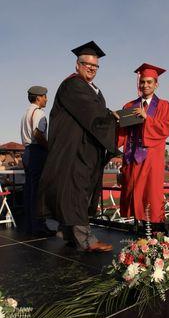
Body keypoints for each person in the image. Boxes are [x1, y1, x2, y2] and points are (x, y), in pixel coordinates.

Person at [38, 41, 118, 252]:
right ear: (77, 64)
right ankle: (86, 241)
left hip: (84, 149)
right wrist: (114, 118)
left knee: (72, 193)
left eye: (95, 66)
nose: (91, 68)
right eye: (87, 64)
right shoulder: (73, 85)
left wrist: (112, 117)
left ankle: (68, 234)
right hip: (74, 151)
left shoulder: (93, 89)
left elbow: (98, 115)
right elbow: (94, 116)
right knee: (76, 193)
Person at [117, 63, 169, 233]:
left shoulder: (164, 105)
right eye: (142, 82)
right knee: (134, 192)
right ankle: (138, 229)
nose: (145, 85)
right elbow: (121, 134)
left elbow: (166, 128)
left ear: (156, 84)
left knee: (152, 194)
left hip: (152, 159)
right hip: (132, 158)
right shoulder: (129, 106)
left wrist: (146, 118)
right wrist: (114, 122)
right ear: (139, 83)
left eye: (149, 82)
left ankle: (156, 232)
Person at [21, 86, 55, 236]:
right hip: (36, 152)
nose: (46, 99)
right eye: (45, 96)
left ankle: (30, 226)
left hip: (28, 152)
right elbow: (37, 133)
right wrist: (49, 148)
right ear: (38, 98)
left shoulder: (26, 113)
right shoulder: (38, 112)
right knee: (38, 191)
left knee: (30, 190)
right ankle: (38, 227)